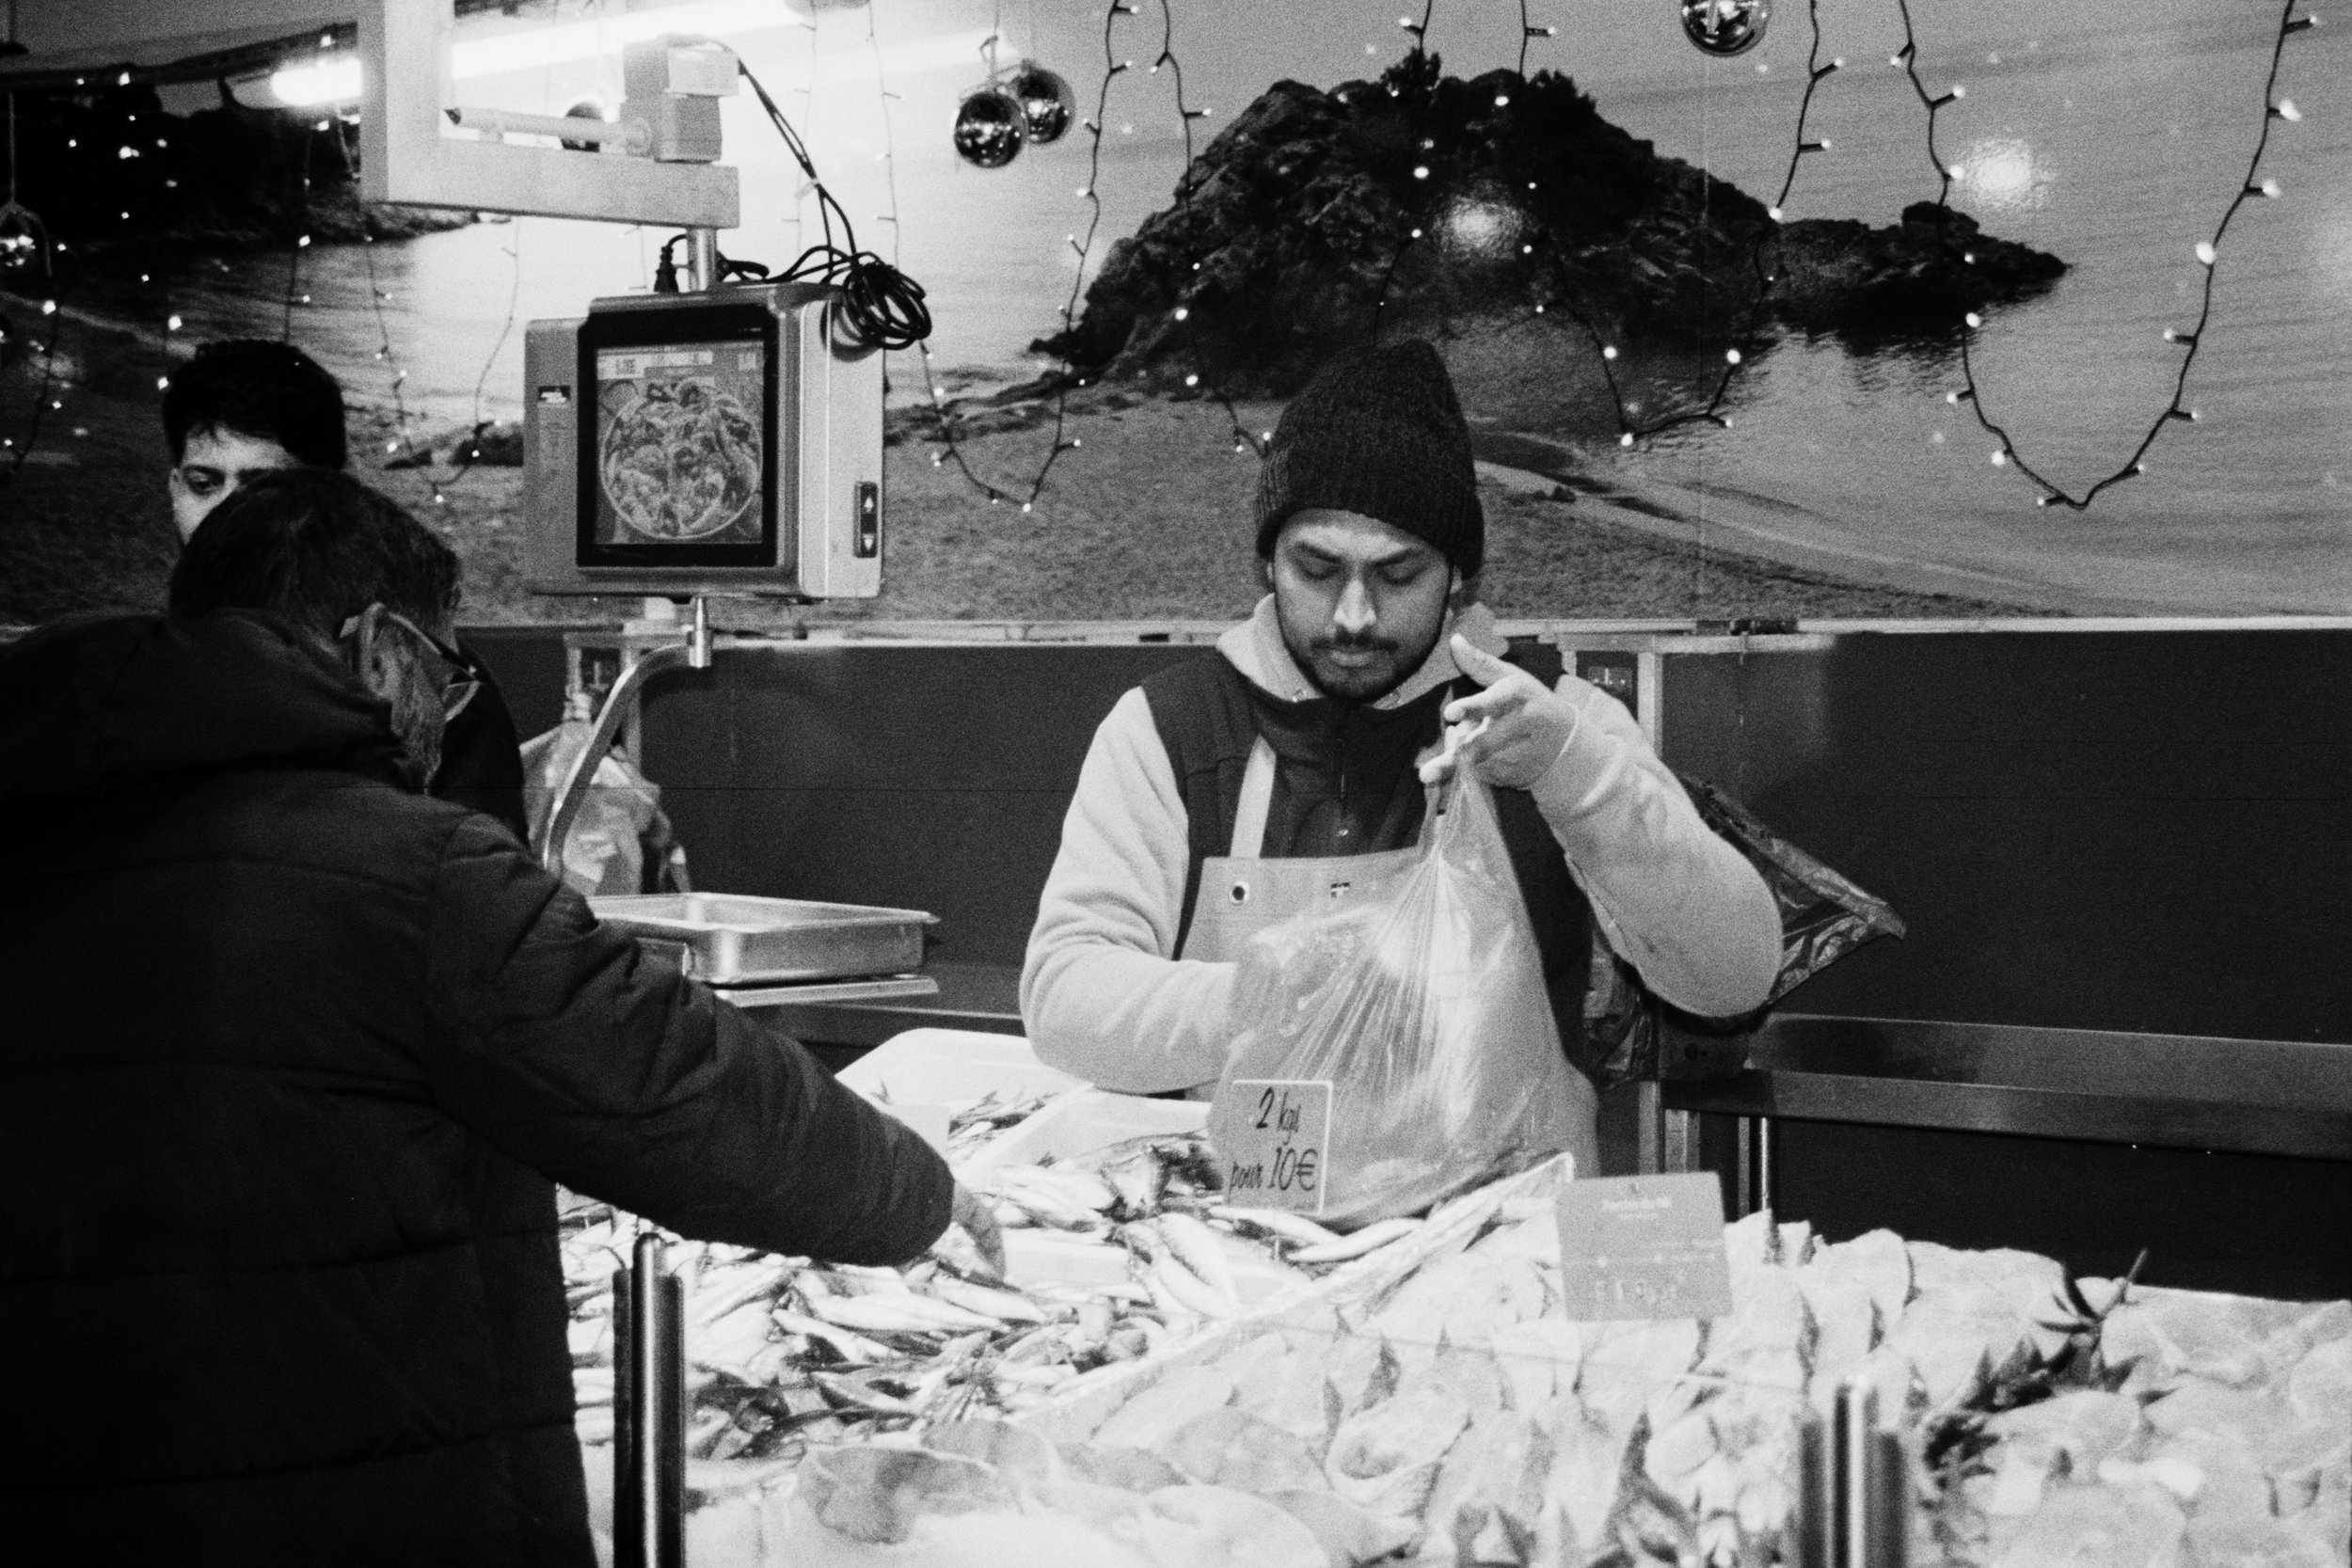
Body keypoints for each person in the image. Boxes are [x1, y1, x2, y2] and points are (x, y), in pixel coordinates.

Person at [0, 468, 996, 1565]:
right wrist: (919, 1196)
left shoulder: (33, 828)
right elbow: (680, 1089)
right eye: (446, 674)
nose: (444, 716)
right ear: (379, 648)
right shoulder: (410, 873)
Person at [1021, 340, 1783, 1171]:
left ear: (1458, 576)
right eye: (1317, 568)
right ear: (1264, 561)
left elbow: (1732, 979)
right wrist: (1262, 993)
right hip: (1245, 1240)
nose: (1354, 615)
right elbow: (1063, 996)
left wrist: (1577, 776)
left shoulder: (1554, 720)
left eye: (1397, 573)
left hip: (1503, 1243)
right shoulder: (1167, 733)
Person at [162, 338, 531, 841]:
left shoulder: (431, 679)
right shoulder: (148, 668)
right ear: (174, 487)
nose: (229, 514)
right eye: (204, 484)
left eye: (260, 487)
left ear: (330, 495)